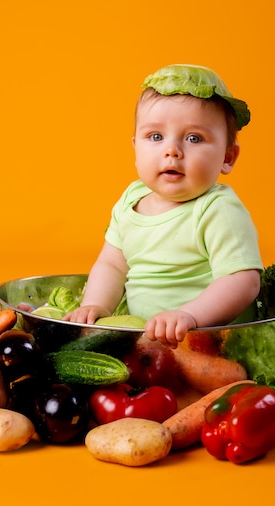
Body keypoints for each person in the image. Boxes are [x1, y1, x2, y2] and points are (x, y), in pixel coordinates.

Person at [64, 64, 263, 346]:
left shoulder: (218, 210)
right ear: (135, 148)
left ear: (227, 157)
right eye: (155, 137)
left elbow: (243, 282)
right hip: (146, 345)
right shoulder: (130, 201)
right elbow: (111, 264)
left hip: (209, 342)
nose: (172, 151)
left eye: (194, 138)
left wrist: (189, 316)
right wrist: (97, 306)